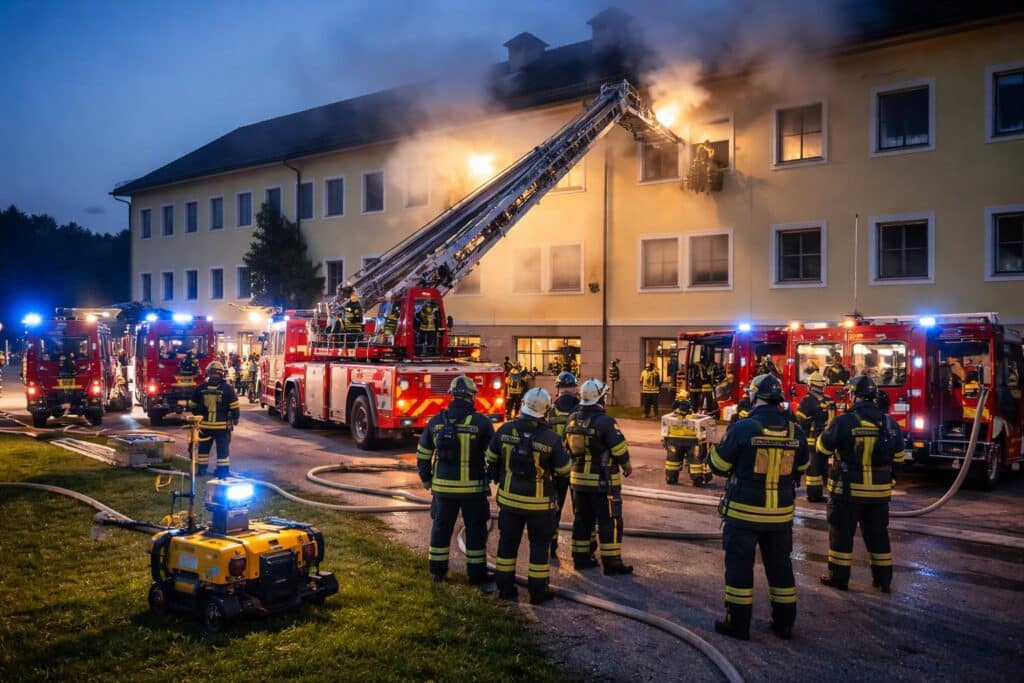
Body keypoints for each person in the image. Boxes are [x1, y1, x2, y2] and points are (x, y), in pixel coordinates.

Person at [708, 374, 809, 641]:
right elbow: (802, 467)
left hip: (744, 514)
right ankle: (784, 623)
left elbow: (718, 466)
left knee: (740, 567)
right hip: (780, 515)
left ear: (754, 396)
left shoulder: (744, 427)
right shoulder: (794, 430)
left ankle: (738, 624)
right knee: (780, 567)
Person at [817, 375, 905, 593]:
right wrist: (890, 479)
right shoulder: (889, 423)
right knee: (878, 537)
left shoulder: (844, 421)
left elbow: (822, 448)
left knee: (841, 537)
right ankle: (883, 580)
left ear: (854, 395)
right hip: (879, 495)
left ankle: (839, 578)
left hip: (847, 492)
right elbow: (900, 458)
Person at [485, 387, 570, 604]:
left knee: (507, 544)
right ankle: (538, 593)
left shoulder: (504, 430)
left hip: (509, 501)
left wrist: (500, 474)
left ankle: (504, 588)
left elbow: (490, 457)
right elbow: (563, 470)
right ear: (546, 410)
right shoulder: (551, 438)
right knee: (540, 548)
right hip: (540, 505)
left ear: (523, 404)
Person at [417, 375, 496, 585]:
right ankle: (476, 575)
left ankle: (437, 571)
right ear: (472, 397)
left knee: (441, 529)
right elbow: (494, 455)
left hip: (443, 490)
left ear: (451, 396)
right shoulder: (482, 423)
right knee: (475, 532)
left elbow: (423, 452)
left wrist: (426, 478)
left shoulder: (436, 421)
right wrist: (494, 476)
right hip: (473, 490)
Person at [566, 378, 634, 575]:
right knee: (609, 521)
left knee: (582, 519)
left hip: (578, 480)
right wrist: (626, 466)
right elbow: (619, 449)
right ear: (601, 397)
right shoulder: (605, 421)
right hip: (602, 481)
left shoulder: (572, 418)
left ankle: (581, 558)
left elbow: (566, 447)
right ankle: (612, 563)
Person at [187, 361, 240, 477]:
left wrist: (199, 415)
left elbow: (191, 405)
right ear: (222, 374)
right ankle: (222, 472)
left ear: (208, 373)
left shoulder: (201, 388)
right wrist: (235, 419)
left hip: (204, 426)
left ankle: (201, 470)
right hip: (222, 427)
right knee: (222, 450)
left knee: (203, 449)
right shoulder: (228, 388)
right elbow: (235, 407)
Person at [546, 372, 579, 555]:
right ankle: (582, 549)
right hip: (579, 470)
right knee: (581, 512)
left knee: (553, 510)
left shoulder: (549, 412)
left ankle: (551, 545)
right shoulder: (582, 411)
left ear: (557, 390)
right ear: (575, 389)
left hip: (556, 471)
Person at [796, 371, 836, 503]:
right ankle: (831, 492)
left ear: (810, 385)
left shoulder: (807, 401)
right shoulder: (829, 400)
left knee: (813, 468)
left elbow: (800, 419)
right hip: (827, 440)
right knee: (825, 466)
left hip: (812, 440)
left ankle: (814, 494)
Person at [664, 390, 711, 486]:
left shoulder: (673, 416)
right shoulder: (692, 416)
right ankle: (697, 477)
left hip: (674, 439)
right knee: (695, 460)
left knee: (673, 459)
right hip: (692, 441)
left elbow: (665, 427)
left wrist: (666, 439)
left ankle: (671, 476)